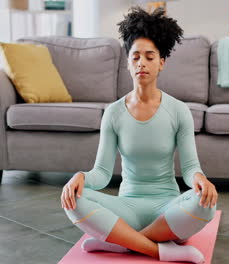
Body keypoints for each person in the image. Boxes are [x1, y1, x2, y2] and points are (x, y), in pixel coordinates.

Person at [61, 6, 218, 264]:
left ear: (161, 62)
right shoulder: (113, 113)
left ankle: (123, 243)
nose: (141, 63)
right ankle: (158, 249)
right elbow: (100, 174)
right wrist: (80, 177)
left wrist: (200, 179)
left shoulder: (179, 111)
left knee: (207, 202)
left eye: (149, 56)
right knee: (72, 199)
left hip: (167, 209)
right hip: (126, 208)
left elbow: (191, 168)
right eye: (135, 57)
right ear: (127, 63)